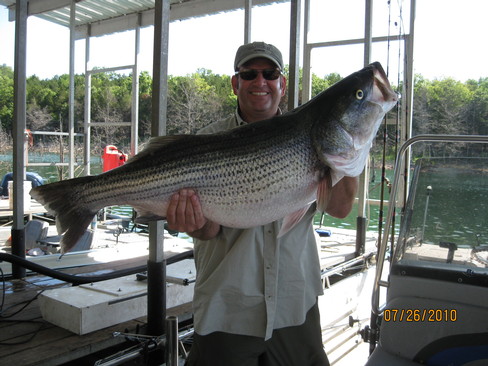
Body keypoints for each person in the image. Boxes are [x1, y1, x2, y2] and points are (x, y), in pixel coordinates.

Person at [166, 42, 358, 366]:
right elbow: (209, 229)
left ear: (282, 84)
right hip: (228, 307)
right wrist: (194, 222)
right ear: (235, 83)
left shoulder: (312, 133)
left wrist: (349, 155)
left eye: (270, 73)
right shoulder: (206, 141)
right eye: (249, 74)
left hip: (294, 303)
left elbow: (339, 208)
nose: (260, 82)